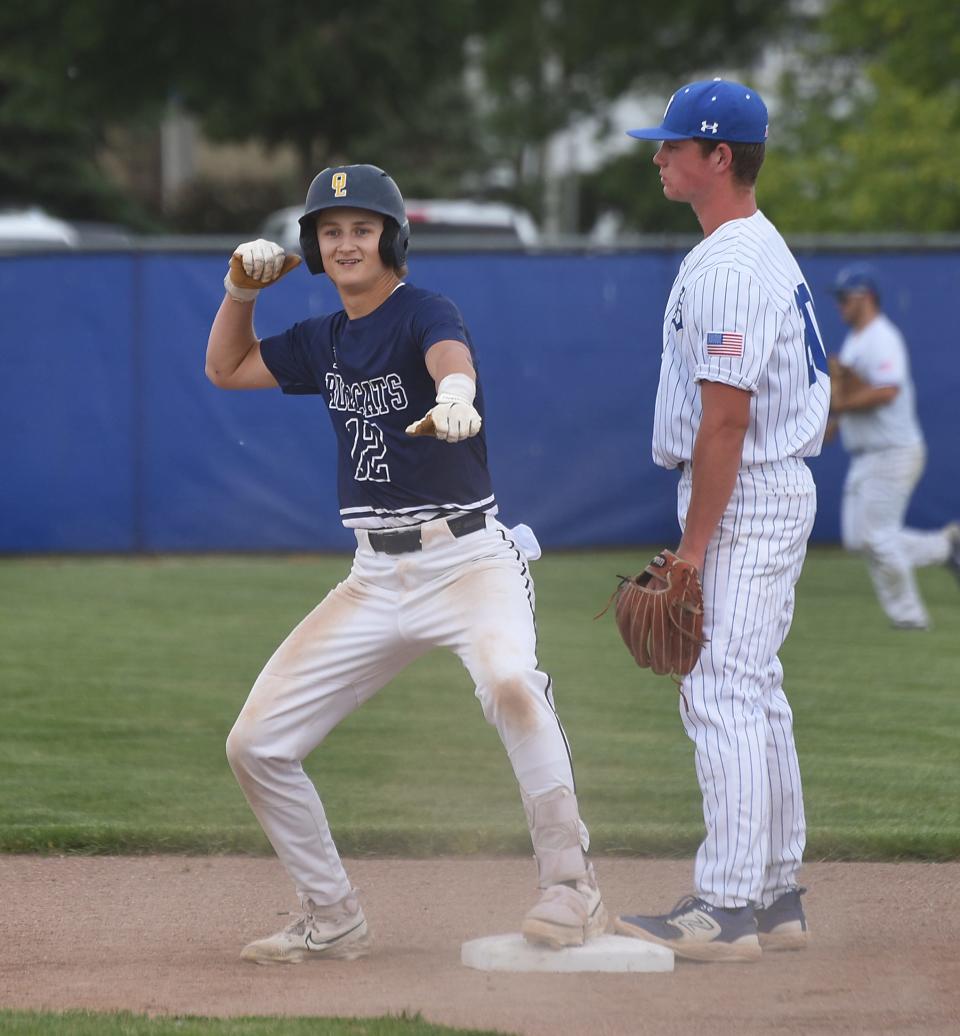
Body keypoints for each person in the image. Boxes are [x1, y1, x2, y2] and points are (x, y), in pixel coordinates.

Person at [205, 163, 605, 964]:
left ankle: (571, 887)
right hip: (374, 577)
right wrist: (240, 293)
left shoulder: (425, 310)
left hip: (466, 559)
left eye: (361, 227)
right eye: (330, 230)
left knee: (510, 685)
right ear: (314, 249)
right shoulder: (324, 339)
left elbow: (448, 355)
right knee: (255, 745)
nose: (346, 241)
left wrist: (455, 392)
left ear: (392, 238)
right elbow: (227, 368)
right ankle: (332, 915)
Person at [612, 80, 831, 963]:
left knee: (722, 692)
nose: (659, 155)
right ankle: (776, 894)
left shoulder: (735, 263)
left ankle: (729, 905)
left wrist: (695, 547)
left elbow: (727, 420)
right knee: (755, 688)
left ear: (720, 158)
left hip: (748, 490)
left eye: (674, 145)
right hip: (764, 487)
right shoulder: (752, 247)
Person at [828, 264, 960, 629]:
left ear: (866, 297)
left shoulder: (882, 337)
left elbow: (887, 391)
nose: (839, 304)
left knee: (877, 538)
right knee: (859, 539)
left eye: (845, 297)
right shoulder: (855, 339)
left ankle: (909, 618)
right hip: (868, 453)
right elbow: (855, 392)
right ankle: (945, 547)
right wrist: (833, 421)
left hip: (893, 450)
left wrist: (838, 407)